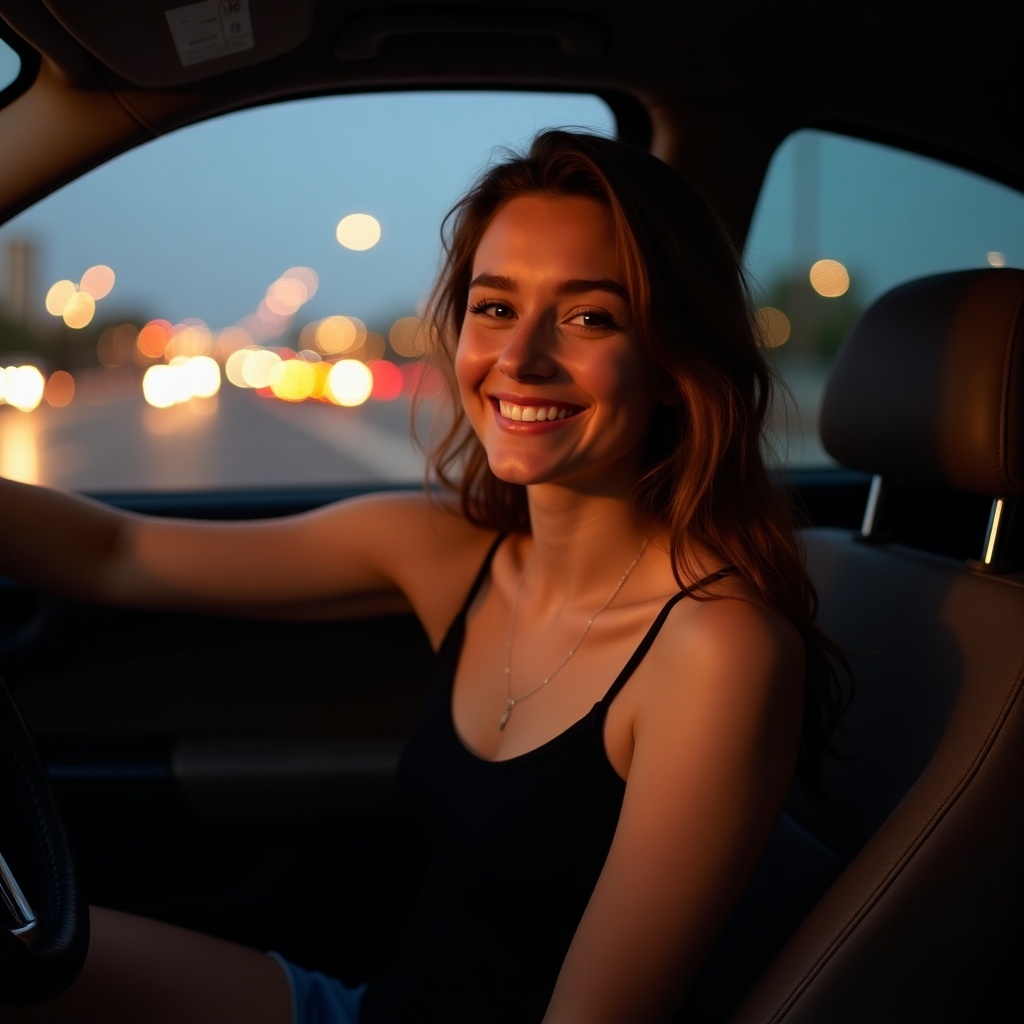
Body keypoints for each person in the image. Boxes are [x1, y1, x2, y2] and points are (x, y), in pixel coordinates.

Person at [0, 128, 847, 1024]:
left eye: (590, 316)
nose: (520, 358)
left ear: (676, 364)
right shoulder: (449, 551)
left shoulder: (718, 650)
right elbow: (117, 553)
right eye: (494, 308)